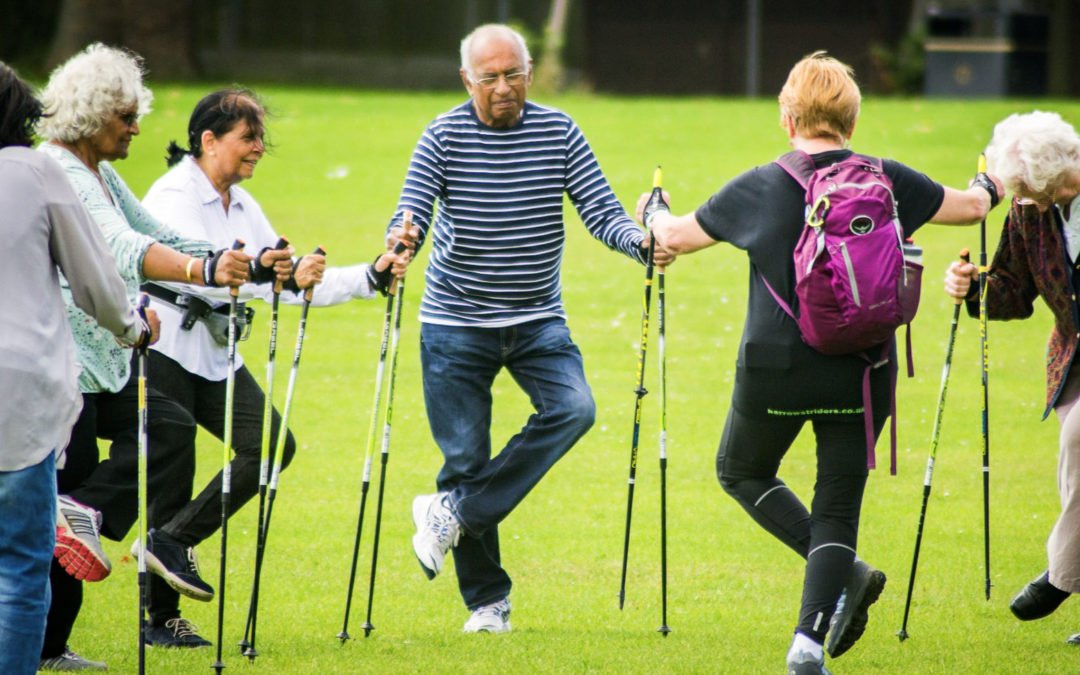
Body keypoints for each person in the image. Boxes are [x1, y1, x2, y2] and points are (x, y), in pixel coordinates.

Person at [644, 52, 1001, 674]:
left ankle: (849, 574)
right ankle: (808, 644)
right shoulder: (888, 179)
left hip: (775, 368)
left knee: (741, 470)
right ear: (852, 121)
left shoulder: (756, 185)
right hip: (863, 371)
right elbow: (971, 207)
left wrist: (651, 211)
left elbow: (671, 239)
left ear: (787, 118)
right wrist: (992, 184)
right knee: (838, 504)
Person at [399, 23, 673, 634]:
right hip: (454, 323)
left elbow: (602, 211)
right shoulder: (442, 135)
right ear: (466, 79)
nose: (504, 87)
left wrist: (641, 244)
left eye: (514, 74)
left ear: (529, 72)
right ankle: (488, 604)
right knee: (467, 460)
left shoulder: (558, 131)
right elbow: (412, 208)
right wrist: (401, 243)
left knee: (574, 409)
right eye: (490, 77)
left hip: (537, 320)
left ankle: (450, 513)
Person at [137, 87, 412, 633]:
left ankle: (172, 540)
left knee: (269, 446)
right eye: (249, 137)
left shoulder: (242, 204)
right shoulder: (173, 194)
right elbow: (203, 270)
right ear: (209, 140)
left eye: (262, 138)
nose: (259, 147)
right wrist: (265, 270)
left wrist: (369, 275)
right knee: (173, 470)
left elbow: (279, 278)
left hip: (215, 354)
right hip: (166, 348)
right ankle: (161, 620)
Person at [34, 43, 251, 668]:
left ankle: (81, 523)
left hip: (111, 358)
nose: (136, 127)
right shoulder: (62, 171)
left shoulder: (100, 170)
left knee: (163, 435)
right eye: (125, 116)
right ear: (91, 114)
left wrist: (230, 264)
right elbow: (123, 246)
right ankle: (49, 646)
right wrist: (198, 267)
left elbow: (156, 231)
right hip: (71, 359)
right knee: (70, 497)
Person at [0, 61, 147, 675]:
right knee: (18, 564)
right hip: (20, 401)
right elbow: (98, 283)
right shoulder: (35, 171)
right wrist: (134, 326)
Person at [943, 110, 1080, 645]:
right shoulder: (1030, 212)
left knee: (1079, 439)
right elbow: (1012, 291)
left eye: (1026, 189)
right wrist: (971, 286)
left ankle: (1062, 575)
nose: (1019, 198)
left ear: (1055, 178)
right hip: (1073, 357)